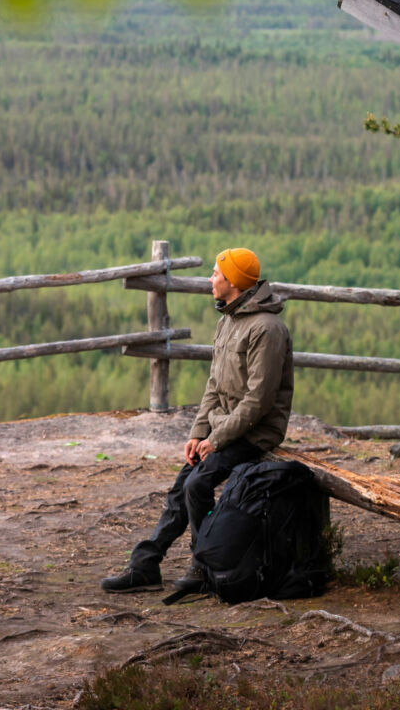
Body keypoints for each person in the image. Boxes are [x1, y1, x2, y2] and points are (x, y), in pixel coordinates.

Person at [100, 246, 294, 595]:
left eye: (217, 274)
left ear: (233, 282)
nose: (211, 279)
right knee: (183, 485)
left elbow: (259, 401)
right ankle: (147, 563)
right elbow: (214, 386)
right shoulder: (228, 320)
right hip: (225, 427)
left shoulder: (266, 329)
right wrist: (198, 433)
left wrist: (216, 440)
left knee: (197, 485)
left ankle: (203, 566)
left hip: (257, 433)